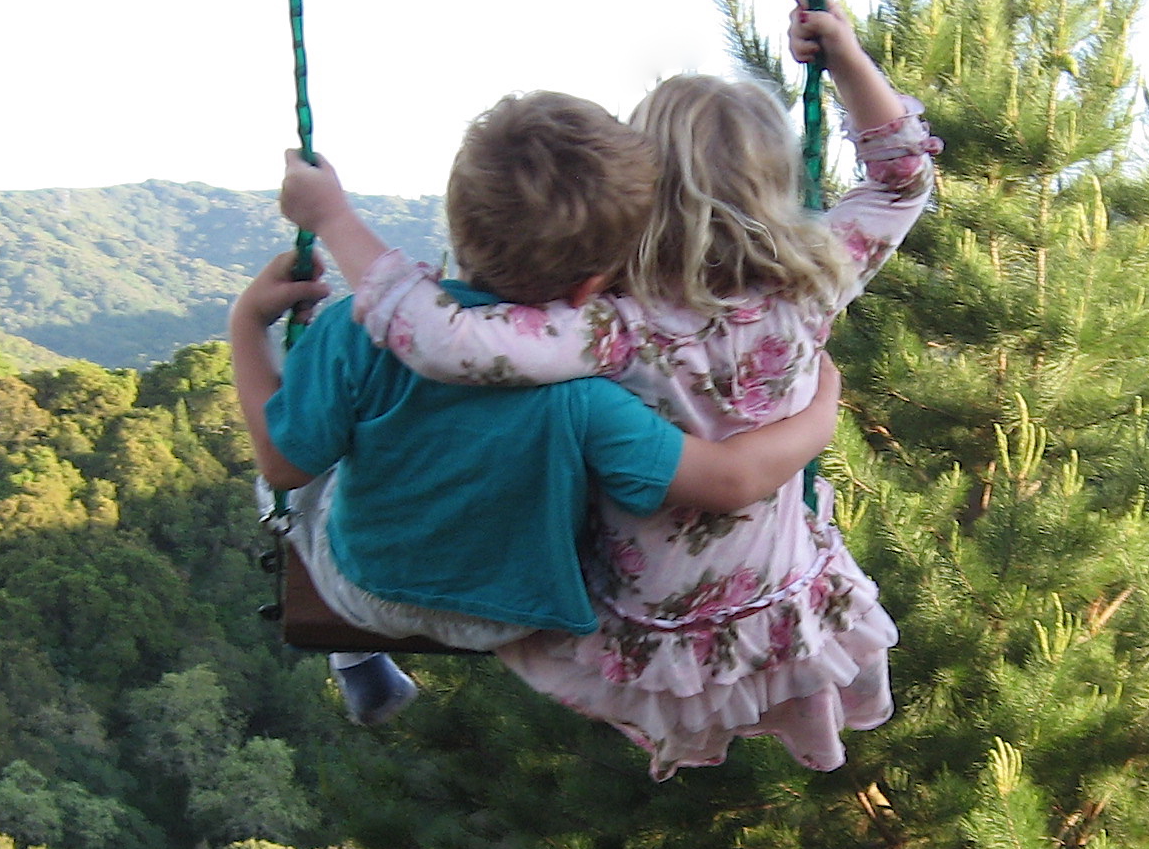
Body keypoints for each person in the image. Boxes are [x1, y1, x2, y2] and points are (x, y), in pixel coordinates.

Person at [317, 0, 939, 776]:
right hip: (784, 601)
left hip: (650, 630)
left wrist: (337, 220)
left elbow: (445, 340)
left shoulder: (609, 325)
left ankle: (359, 649)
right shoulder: (814, 281)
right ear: (775, 182)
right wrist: (844, 57)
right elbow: (901, 177)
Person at [229, 91, 844, 727]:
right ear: (592, 284)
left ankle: (357, 662)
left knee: (296, 466)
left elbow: (282, 468)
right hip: (510, 616)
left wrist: (247, 325)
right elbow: (729, 478)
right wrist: (822, 410)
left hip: (367, 588)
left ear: (458, 220)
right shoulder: (597, 387)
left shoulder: (354, 334)